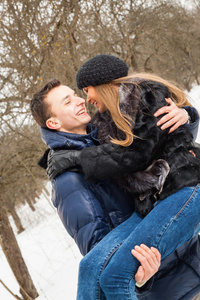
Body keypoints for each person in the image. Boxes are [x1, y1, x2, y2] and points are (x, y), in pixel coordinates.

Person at [45, 55, 200, 299]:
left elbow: (146, 148)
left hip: (178, 202)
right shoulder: (70, 174)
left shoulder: (143, 96)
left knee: (114, 275)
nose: (84, 100)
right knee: (93, 269)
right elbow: (96, 244)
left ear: (104, 83)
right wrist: (140, 282)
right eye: (70, 99)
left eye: (84, 92)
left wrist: (187, 115)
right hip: (153, 223)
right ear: (53, 121)